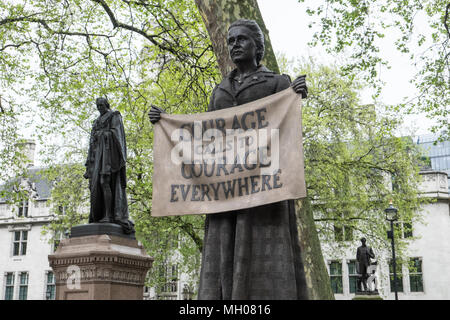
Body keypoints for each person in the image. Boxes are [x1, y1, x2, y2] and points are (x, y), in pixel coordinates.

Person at [149, 19, 308, 300]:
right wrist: (165, 123)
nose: (234, 45)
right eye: (231, 41)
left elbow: (287, 132)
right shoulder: (220, 91)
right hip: (225, 194)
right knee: (223, 254)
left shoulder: (277, 83)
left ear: (257, 46)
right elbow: (205, 140)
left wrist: (295, 96)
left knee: (262, 258)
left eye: (241, 40)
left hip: (264, 192)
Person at [84, 97, 134, 234]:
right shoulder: (96, 122)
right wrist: (89, 163)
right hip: (97, 158)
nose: (99, 107)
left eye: (101, 105)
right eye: (97, 105)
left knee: (104, 182)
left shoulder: (114, 116)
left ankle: (109, 215)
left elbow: (116, 134)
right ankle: (98, 215)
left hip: (108, 157)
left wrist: (103, 135)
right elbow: (91, 143)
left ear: (106, 105)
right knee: (95, 186)